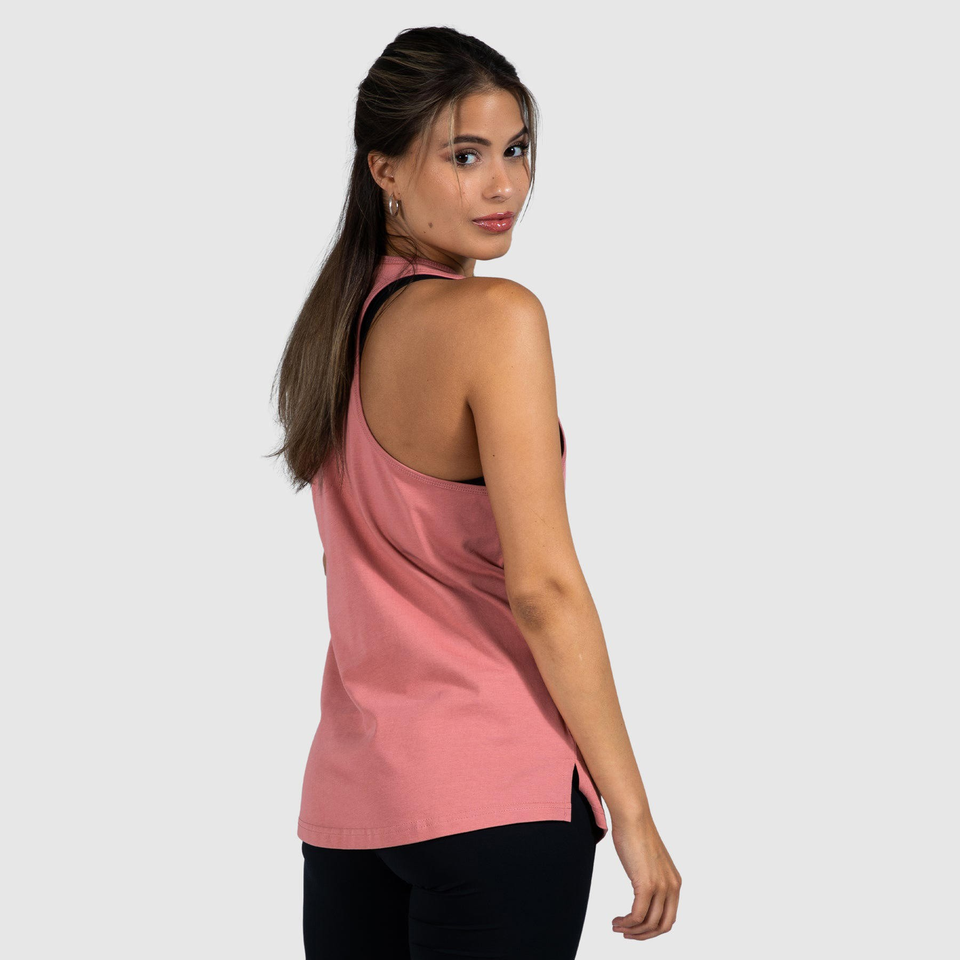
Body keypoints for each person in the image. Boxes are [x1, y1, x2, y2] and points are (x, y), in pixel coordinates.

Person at [270, 25, 681, 959]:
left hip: (352, 807)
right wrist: (633, 811)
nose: (505, 187)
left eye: (516, 150)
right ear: (384, 169)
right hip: (497, 797)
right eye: (465, 156)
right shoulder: (497, 318)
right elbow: (544, 589)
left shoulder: (333, 331)